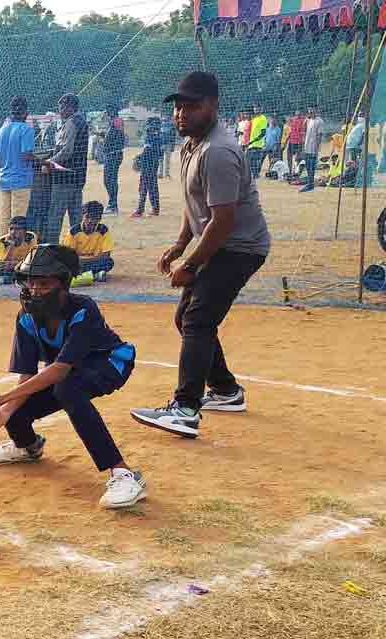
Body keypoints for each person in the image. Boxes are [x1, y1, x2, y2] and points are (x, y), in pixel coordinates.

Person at [131, 71, 271, 438]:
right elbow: (196, 205)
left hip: (239, 248)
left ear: (212, 106)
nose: (181, 114)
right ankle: (225, 391)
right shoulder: (191, 145)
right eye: (178, 107)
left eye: (191, 106)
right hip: (218, 243)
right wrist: (180, 244)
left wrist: (190, 264)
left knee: (197, 320)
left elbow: (222, 221)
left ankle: (185, 409)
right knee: (188, 318)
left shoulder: (218, 151)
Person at [0, 244, 144, 509]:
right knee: (20, 405)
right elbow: (27, 375)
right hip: (67, 371)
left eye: (44, 284)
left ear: (64, 284)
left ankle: (123, 473)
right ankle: (27, 446)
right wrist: (5, 412)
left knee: (67, 389)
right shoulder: (26, 317)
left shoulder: (83, 308)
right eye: (31, 282)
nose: (35, 290)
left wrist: (2, 400)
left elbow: (59, 370)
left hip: (109, 363)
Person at [44, 94, 90, 245]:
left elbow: (67, 151)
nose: (60, 111)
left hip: (64, 178)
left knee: (55, 216)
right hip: (78, 177)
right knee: (76, 218)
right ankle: (79, 248)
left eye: (62, 107)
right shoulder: (82, 122)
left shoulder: (71, 123)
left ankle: (51, 248)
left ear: (70, 108)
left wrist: (50, 161)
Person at [0, 97, 36, 235]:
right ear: (25, 113)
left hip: (4, 179)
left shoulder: (3, 129)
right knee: (18, 219)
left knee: (5, 217)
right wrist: (44, 162)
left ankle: (3, 243)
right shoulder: (26, 129)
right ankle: (15, 246)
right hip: (21, 181)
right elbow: (26, 155)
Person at [62, 201, 114, 281]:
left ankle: (79, 274)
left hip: (89, 262)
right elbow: (68, 256)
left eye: (93, 218)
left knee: (108, 262)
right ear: (82, 216)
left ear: (99, 219)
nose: (90, 221)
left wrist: (84, 261)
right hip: (78, 262)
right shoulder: (73, 232)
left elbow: (106, 255)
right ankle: (95, 275)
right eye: (87, 217)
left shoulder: (103, 231)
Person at [132, 117, 162, 218]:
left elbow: (147, 152)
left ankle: (140, 210)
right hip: (154, 165)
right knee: (152, 187)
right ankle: (155, 209)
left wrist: (139, 158)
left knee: (143, 188)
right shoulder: (158, 137)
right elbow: (159, 153)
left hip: (148, 166)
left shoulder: (150, 137)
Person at [101, 111, 125, 215]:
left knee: (110, 180)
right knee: (109, 180)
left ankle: (113, 205)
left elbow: (118, 136)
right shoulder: (113, 123)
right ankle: (112, 204)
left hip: (113, 155)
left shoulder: (116, 121)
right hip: (111, 155)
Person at [301, 107, 323, 192]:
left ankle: (311, 184)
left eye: (312, 110)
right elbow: (304, 132)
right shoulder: (308, 120)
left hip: (313, 148)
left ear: (315, 110)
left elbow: (319, 135)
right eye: (309, 111)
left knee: (311, 166)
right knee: (307, 165)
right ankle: (309, 183)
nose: (310, 112)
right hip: (307, 147)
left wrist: (316, 149)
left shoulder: (319, 121)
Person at [245, 105, 268, 179]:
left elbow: (263, 133)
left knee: (253, 162)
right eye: (255, 108)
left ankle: (255, 176)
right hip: (251, 144)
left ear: (261, 109)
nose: (255, 109)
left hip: (257, 144)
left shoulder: (263, 118)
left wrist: (253, 141)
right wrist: (248, 141)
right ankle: (254, 176)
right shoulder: (254, 119)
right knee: (248, 162)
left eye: (257, 108)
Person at [286, 110, 306, 174]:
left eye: (299, 114)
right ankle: (290, 171)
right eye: (296, 114)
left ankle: (295, 171)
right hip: (292, 141)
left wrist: (303, 143)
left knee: (297, 158)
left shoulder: (304, 120)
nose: (297, 115)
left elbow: (304, 132)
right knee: (289, 156)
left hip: (299, 142)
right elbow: (289, 131)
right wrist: (286, 141)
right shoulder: (292, 120)